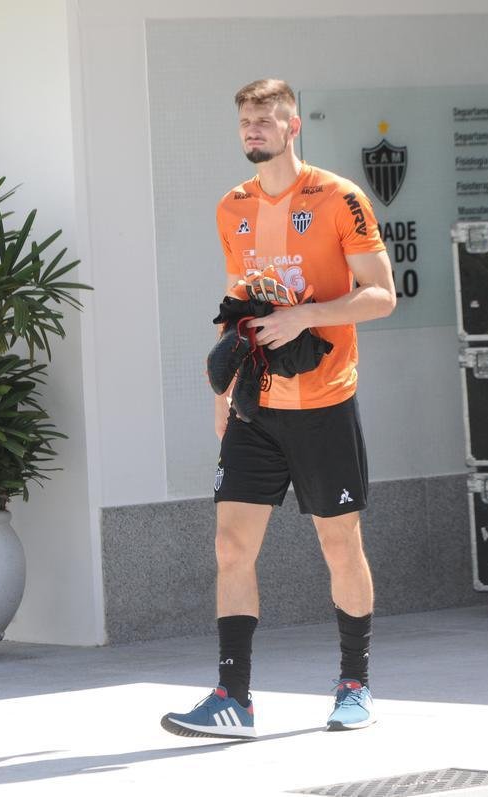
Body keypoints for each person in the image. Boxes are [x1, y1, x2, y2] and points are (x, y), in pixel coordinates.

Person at [161, 79, 396, 738]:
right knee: (231, 547)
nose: (253, 129)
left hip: (324, 402)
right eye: (245, 119)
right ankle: (232, 697)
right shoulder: (231, 207)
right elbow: (237, 301)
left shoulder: (339, 197)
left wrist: (306, 317)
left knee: (339, 544)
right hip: (254, 406)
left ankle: (355, 683)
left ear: (293, 127)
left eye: (266, 118)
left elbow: (381, 295)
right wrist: (219, 391)